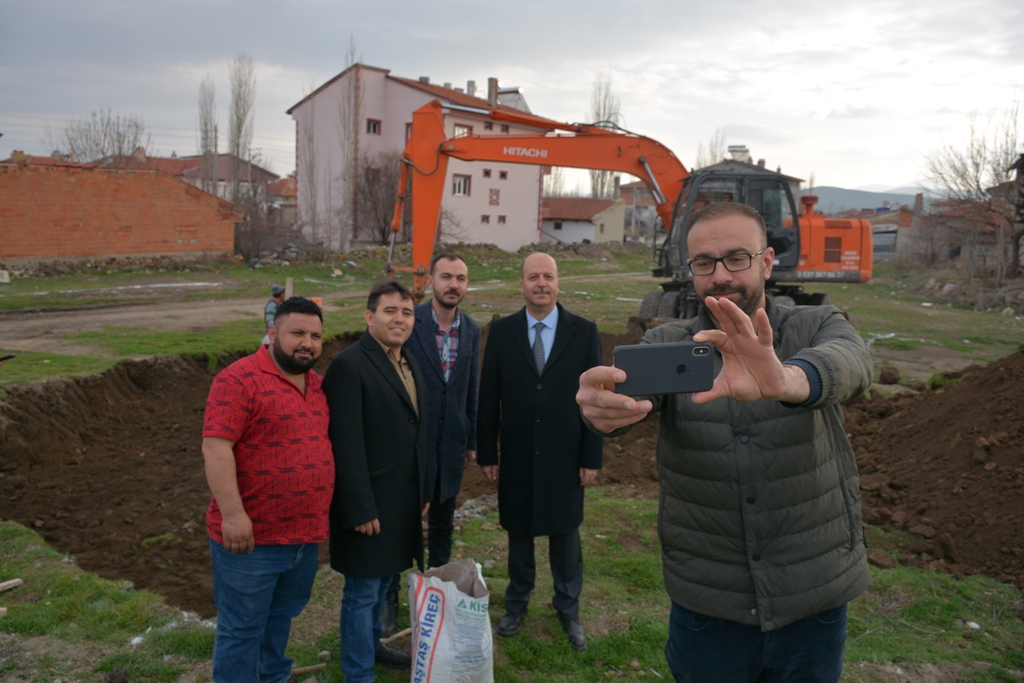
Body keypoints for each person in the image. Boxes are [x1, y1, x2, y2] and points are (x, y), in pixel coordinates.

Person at [577, 202, 873, 683]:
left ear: (767, 261)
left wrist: (788, 380)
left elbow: (853, 362)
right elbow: (624, 397)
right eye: (704, 262)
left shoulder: (815, 324)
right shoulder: (670, 344)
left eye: (737, 258)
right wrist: (602, 411)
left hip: (811, 600)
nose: (720, 275)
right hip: (710, 605)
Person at [202, 296, 334, 683]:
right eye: (297, 333)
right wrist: (233, 515)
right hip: (252, 541)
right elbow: (216, 447)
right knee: (242, 628)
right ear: (273, 333)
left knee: (280, 619)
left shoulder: (318, 385)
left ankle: (272, 676)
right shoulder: (238, 379)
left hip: (303, 537)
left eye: (315, 336)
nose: (307, 343)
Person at [477, 252, 603, 651]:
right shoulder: (502, 332)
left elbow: (597, 399)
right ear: (522, 284)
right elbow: (489, 397)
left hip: (566, 454)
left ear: (558, 282)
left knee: (565, 536)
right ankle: (516, 605)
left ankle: (568, 608)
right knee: (519, 532)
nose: (541, 283)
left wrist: (591, 457)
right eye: (533, 276)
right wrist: (488, 453)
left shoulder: (584, 332)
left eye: (548, 276)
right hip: (516, 454)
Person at [322, 281, 430, 682]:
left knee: (385, 581)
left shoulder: (408, 361)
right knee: (362, 593)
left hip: (400, 500)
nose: (400, 319)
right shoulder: (349, 366)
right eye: (390, 311)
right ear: (370, 317)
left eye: (407, 312)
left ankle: (370, 647)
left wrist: (423, 489)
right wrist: (359, 508)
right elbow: (345, 444)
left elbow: (417, 433)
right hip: (368, 504)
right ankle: (358, 672)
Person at [379, 252, 481, 637]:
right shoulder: (411, 321)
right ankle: (389, 599)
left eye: (460, 278)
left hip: (450, 445)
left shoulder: (471, 330)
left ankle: (438, 594)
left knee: (442, 526)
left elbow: (470, 388)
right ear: (432, 282)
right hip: (410, 447)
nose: (453, 285)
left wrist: (470, 438)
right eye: (446, 277)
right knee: (399, 526)